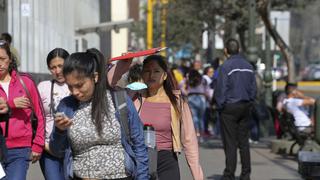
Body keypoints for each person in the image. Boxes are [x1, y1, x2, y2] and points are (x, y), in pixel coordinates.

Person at [49, 48, 148, 180]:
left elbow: (139, 144)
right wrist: (60, 132)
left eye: (80, 85)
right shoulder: (66, 106)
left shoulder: (120, 101)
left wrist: (142, 178)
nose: (75, 92)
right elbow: (57, 151)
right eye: (70, 86)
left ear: (95, 77)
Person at [136, 55, 203, 180]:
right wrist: (124, 63)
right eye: (147, 71)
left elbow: (190, 141)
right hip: (140, 161)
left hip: (166, 161)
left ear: (165, 75)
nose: (151, 75)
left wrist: (198, 176)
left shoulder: (177, 103)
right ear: (142, 74)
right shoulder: (134, 99)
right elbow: (109, 82)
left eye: (156, 71)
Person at [0, 40, 45, 179]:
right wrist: (11, 104)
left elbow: (40, 113)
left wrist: (38, 144)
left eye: (2, 59)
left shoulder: (25, 81)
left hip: (20, 149)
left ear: (10, 59)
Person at [214, 39, 256, 180]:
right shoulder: (249, 66)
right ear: (239, 50)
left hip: (229, 108)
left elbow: (221, 89)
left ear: (226, 50)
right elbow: (253, 88)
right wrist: (250, 102)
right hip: (245, 106)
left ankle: (229, 174)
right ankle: (246, 174)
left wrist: (220, 105)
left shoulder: (225, 67)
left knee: (230, 142)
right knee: (244, 142)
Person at [37, 48, 70, 180]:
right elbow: (36, 118)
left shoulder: (78, 85)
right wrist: (42, 144)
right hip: (49, 149)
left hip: (74, 150)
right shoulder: (43, 87)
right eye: (53, 67)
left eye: (60, 66)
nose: (57, 71)